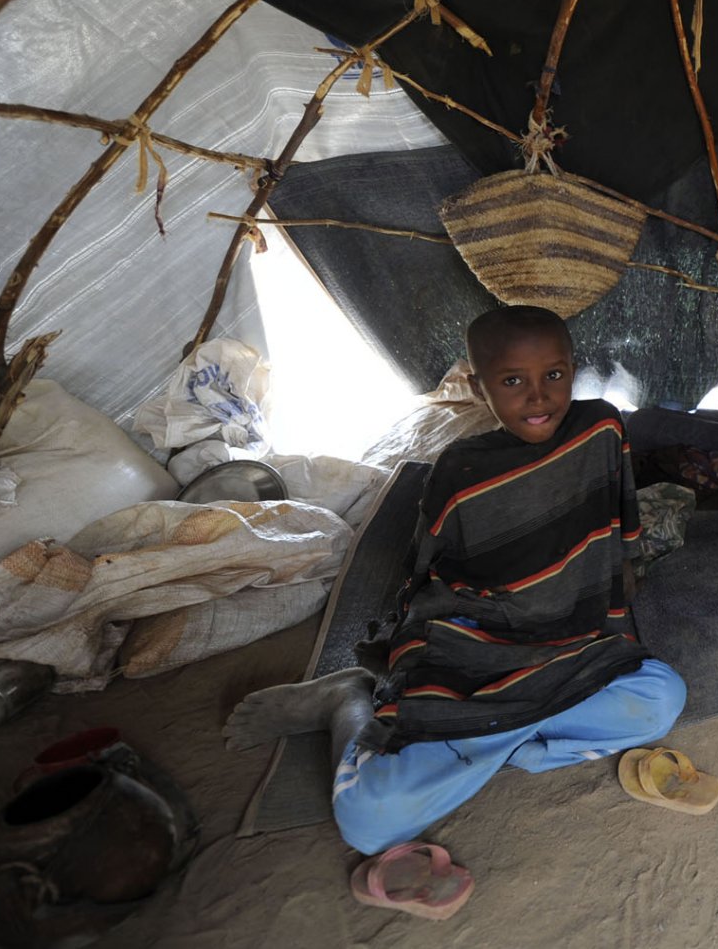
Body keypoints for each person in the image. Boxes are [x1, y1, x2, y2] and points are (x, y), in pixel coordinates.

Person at [225, 305, 687, 857]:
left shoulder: (603, 428)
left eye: (553, 375)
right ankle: (347, 701)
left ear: (573, 368)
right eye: (512, 381)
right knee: (368, 822)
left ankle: (496, 740)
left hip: (568, 641)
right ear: (476, 386)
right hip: (481, 645)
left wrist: (621, 572)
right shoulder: (460, 470)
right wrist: (428, 650)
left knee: (662, 697)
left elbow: (620, 514)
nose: (538, 396)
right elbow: (428, 577)